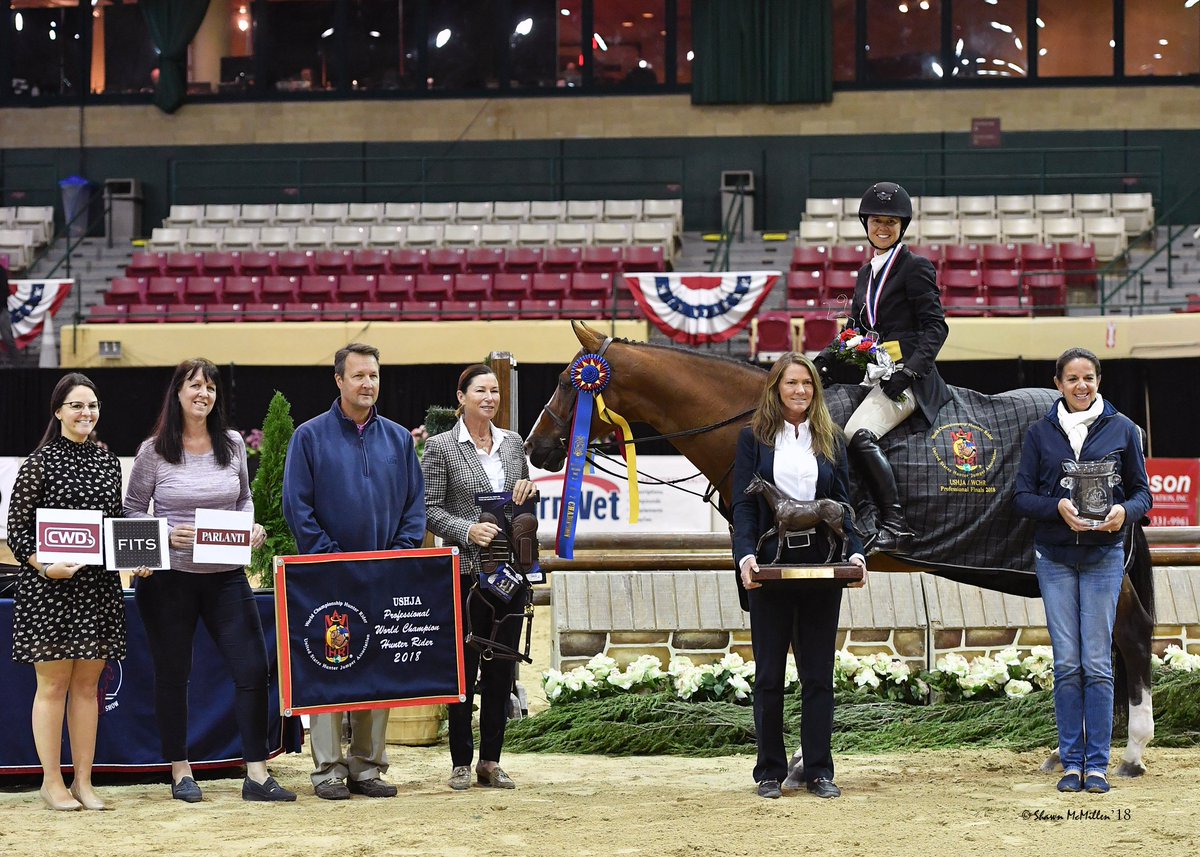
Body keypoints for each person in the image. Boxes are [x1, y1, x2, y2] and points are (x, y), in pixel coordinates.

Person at [125, 358, 295, 803]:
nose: (203, 394)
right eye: (195, 385)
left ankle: (256, 775)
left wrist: (251, 527)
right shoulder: (153, 451)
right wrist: (163, 534)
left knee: (253, 671)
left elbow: (243, 499)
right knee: (173, 676)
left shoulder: (233, 443)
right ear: (177, 392)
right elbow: (129, 514)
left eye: (211, 388)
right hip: (170, 581)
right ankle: (181, 772)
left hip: (226, 577)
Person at [283, 342, 426, 800]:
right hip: (328, 575)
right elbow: (297, 506)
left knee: (376, 667)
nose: (368, 384)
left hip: (384, 574)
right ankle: (327, 769)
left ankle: (366, 766)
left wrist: (399, 555)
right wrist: (331, 556)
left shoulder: (400, 439)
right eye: (359, 375)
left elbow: (414, 508)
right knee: (330, 664)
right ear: (339, 381)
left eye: (375, 376)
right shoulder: (308, 436)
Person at [7, 373, 151, 811]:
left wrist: (136, 557)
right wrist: (46, 566)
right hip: (49, 589)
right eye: (76, 405)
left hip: (97, 589)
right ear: (58, 411)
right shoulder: (38, 463)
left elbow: (115, 528)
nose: (86, 413)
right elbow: (17, 532)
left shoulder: (109, 463)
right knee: (52, 687)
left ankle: (84, 782)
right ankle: (52, 783)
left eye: (92, 405)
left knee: (88, 688)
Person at [1013, 347, 1151, 795]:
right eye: (1072, 379)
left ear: (1098, 381)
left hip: (1103, 557)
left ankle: (1097, 765)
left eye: (1088, 378)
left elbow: (1142, 495)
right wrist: (1056, 507)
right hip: (1054, 558)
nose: (1081, 386)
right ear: (1058, 383)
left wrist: (1123, 513)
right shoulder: (1039, 434)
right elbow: (1021, 498)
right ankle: (1071, 762)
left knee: (1097, 663)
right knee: (1068, 664)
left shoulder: (1124, 429)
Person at [731, 353, 866, 801]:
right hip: (770, 569)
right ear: (776, 388)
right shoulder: (753, 438)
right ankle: (769, 771)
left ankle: (818, 770)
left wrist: (857, 553)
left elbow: (845, 504)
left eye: (807, 384)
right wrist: (746, 556)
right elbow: (745, 506)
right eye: (792, 384)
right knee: (769, 675)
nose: (800, 391)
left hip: (822, 571)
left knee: (818, 676)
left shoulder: (830, 438)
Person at [421, 364, 538, 792]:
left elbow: (520, 498)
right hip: (467, 573)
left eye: (494, 391)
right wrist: (467, 530)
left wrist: (529, 492)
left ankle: (491, 760)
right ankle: (459, 761)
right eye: (480, 391)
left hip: (509, 572)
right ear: (461, 396)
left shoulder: (512, 444)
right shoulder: (440, 447)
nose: (489, 398)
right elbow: (429, 509)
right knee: (463, 669)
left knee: (501, 670)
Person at [821, 181, 951, 554]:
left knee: (858, 433)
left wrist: (910, 372)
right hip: (876, 372)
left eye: (891, 222)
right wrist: (824, 362)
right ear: (866, 224)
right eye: (877, 220)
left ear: (901, 227)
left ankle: (895, 523)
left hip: (908, 379)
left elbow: (935, 327)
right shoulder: (866, 274)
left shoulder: (915, 267)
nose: (883, 228)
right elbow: (858, 331)